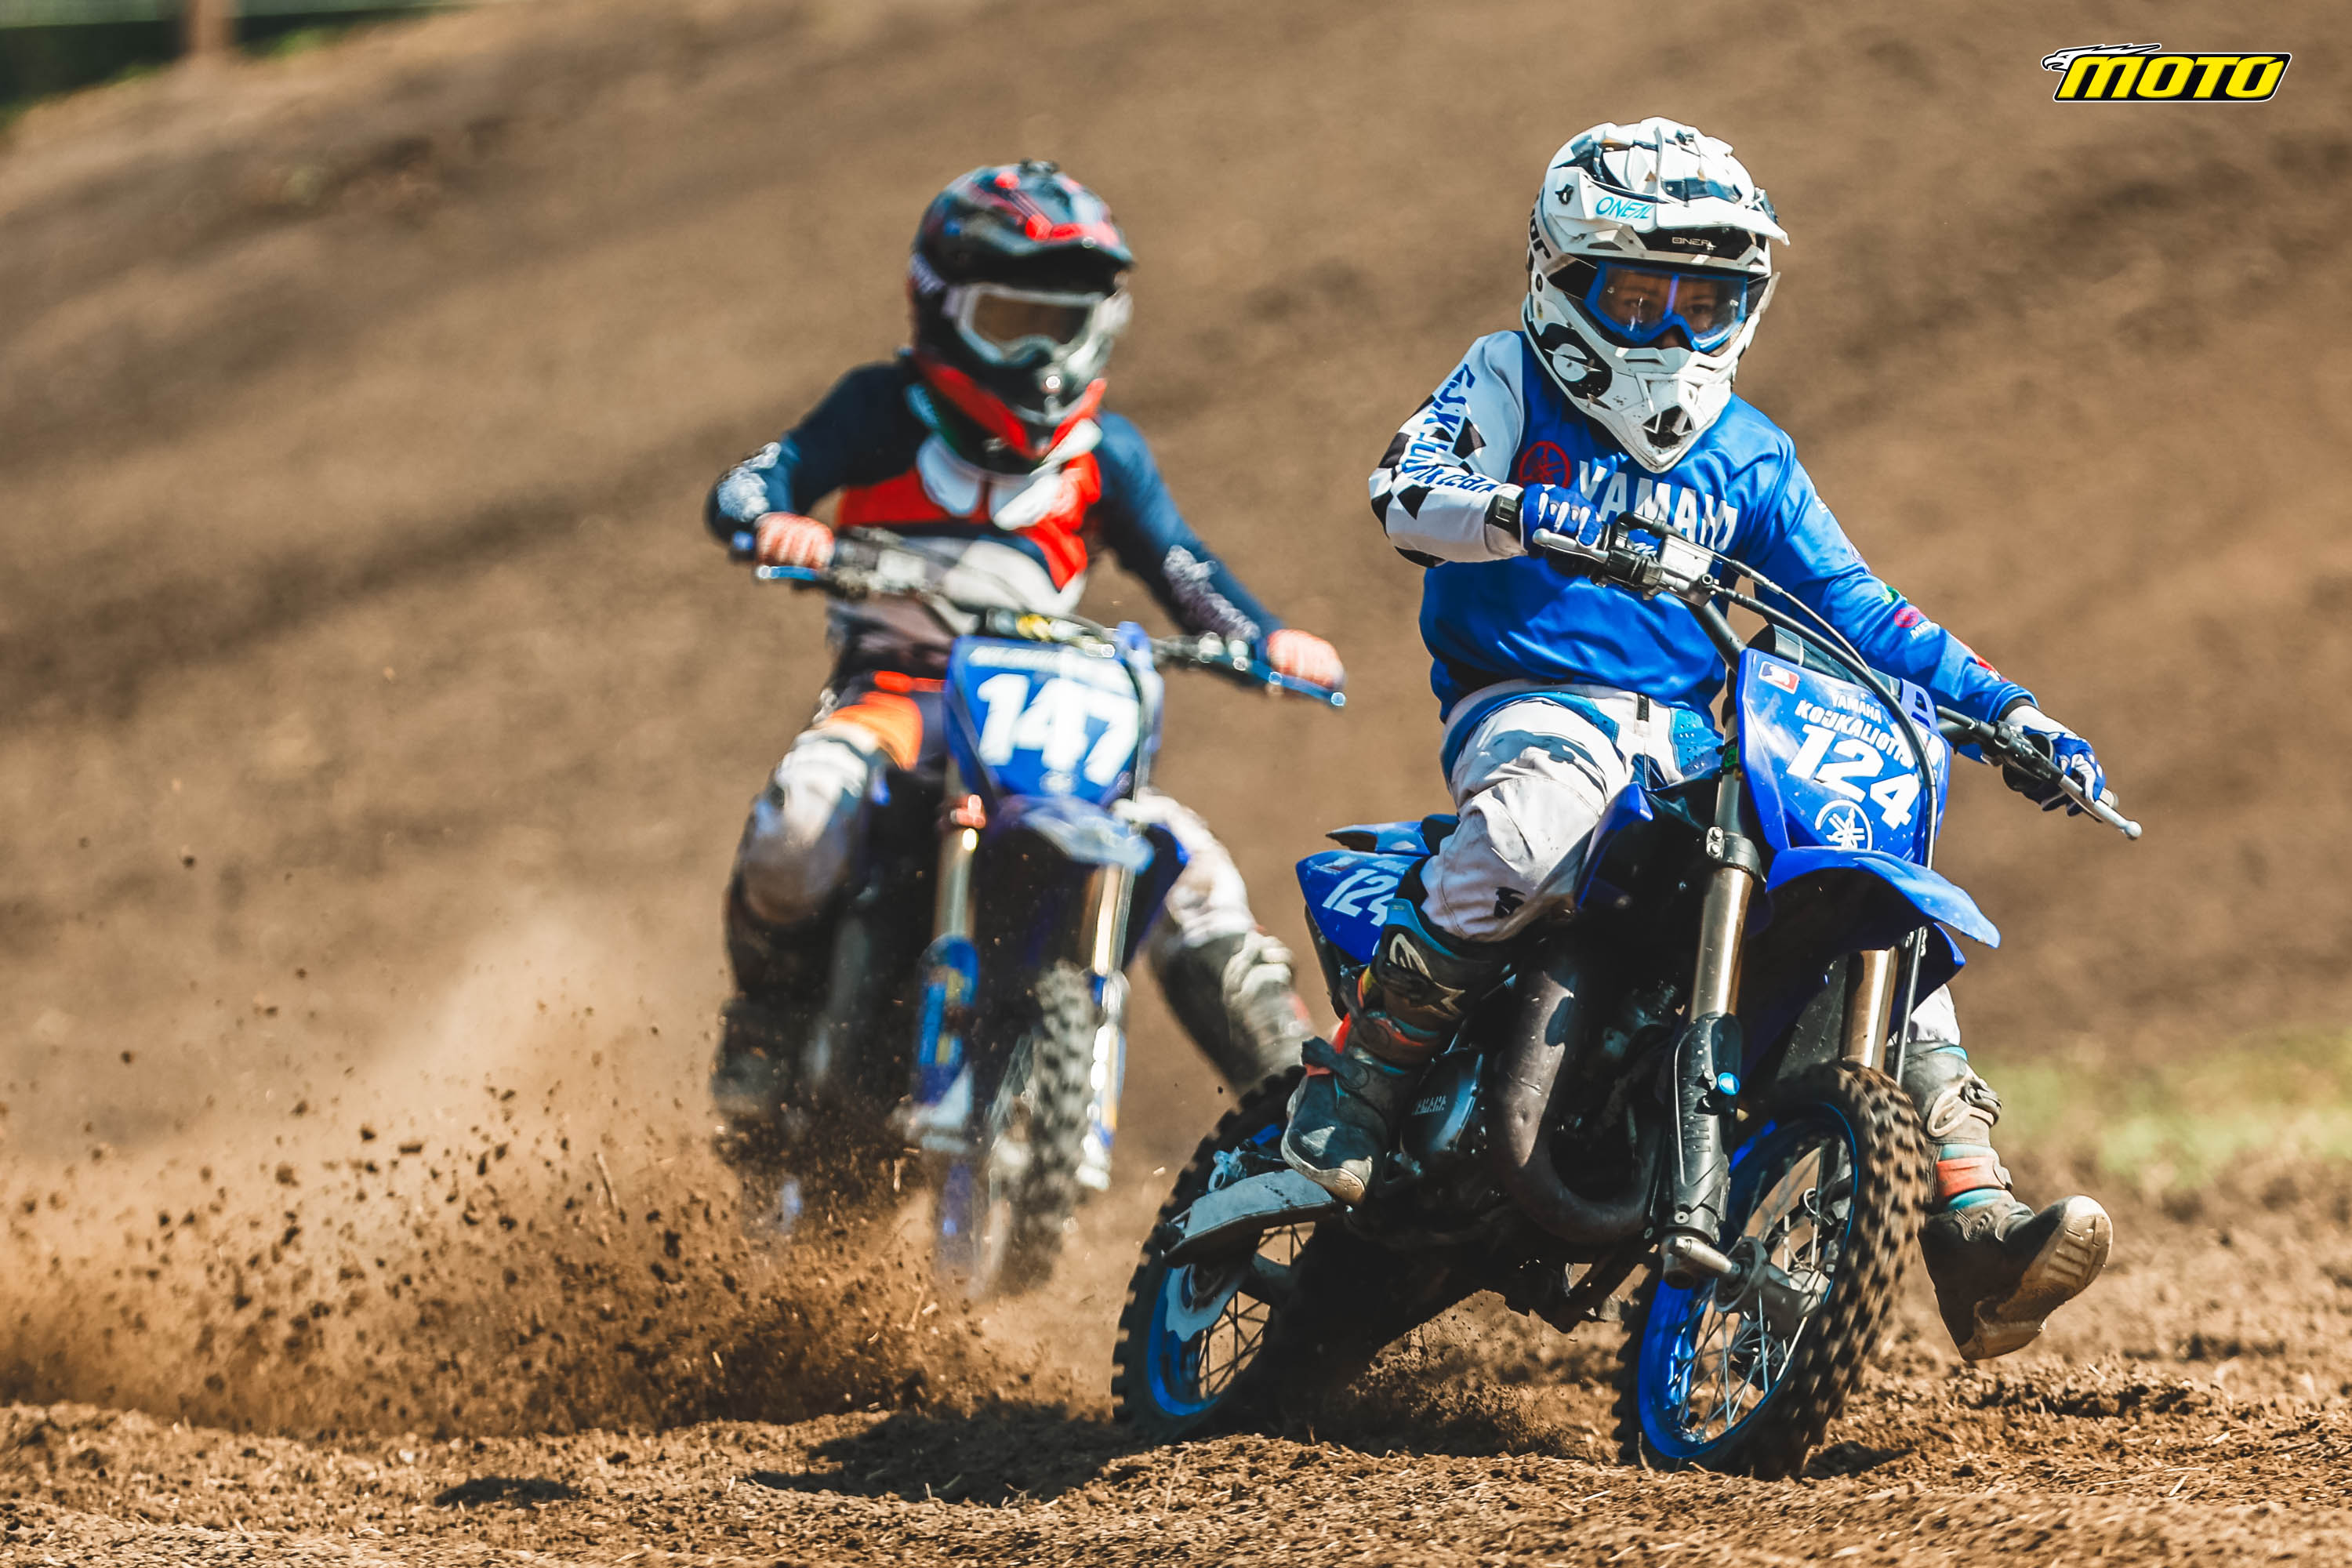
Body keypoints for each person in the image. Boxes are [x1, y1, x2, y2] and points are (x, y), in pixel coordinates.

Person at [1286, 119, 2110, 1361]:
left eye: (1707, 302)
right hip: (1533, 698)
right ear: (1564, 278)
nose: (1673, 331)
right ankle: (1360, 1088)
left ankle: (1972, 1214)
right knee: (1534, 822)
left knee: (1879, 910)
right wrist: (1534, 516)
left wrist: (2009, 712)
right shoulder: (1508, 376)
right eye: (1639, 296)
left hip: (1691, 737)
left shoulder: (1751, 455)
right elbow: (1405, 489)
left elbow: (1862, 606)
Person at [702, 160, 1344, 1184]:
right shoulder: (883, 410)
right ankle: (766, 1027)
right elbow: (758, 479)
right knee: (803, 814)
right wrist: (771, 520)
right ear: (942, 309)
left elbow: (1184, 569)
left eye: (1065, 324)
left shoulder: (1102, 453)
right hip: (901, 698)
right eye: (1012, 322)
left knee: (1188, 863)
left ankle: (1301, 1100)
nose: (1043, 356)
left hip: (1043, 710)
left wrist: (1263, 638)